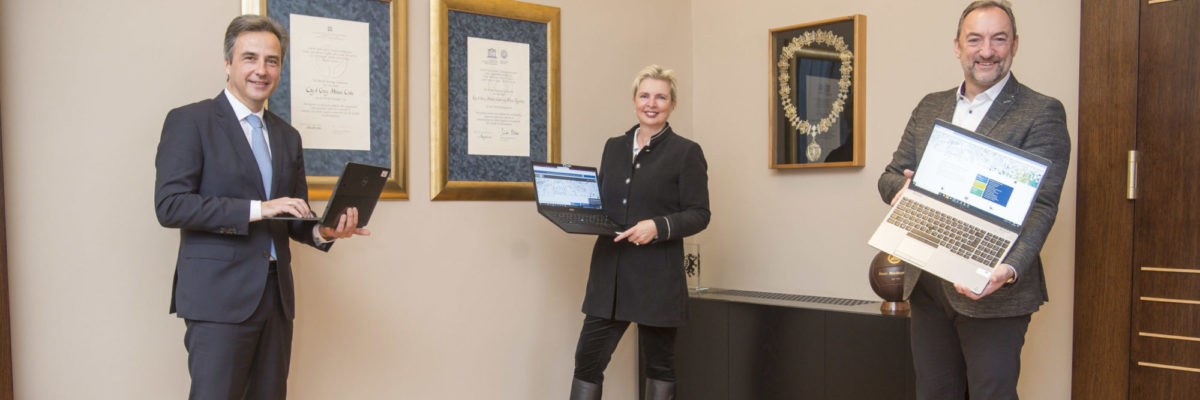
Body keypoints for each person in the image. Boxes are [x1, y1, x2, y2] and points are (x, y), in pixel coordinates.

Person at [154, 15, 369, 399]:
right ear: (228, 64)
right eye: (250, 57)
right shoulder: (191, 121)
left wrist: (324, 230)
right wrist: (259, 208)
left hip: (275, 300)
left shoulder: (287, 136)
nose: (261, 70)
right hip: (218, 300)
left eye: (271, 61)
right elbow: (171, 206)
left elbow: (292, 214)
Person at [876, 1, 1070, 399]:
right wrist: (901, 190)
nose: (986, 51)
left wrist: (1010, 269)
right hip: (927, 283)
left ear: (1014, 45)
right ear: (958, 46)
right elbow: (890, 175)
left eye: (999, 39)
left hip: (994, 286)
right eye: (975, 39)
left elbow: (1043, 206)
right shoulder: (931, 105)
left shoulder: (1042, 111)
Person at [568, 65, 710, 400]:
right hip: (610, 274)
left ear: (672, 104)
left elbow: (699, 214)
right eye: (645, 95)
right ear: (634, 100)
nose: (652, 103)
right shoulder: (613, 146)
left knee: (659, 365)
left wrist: (657, 226)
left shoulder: (686, 152)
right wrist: (573, 209)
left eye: (661, 97)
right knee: (587, 362)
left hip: (656, 278)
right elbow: (606, 201)